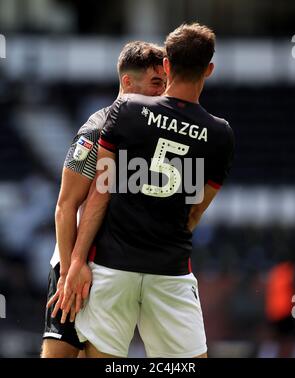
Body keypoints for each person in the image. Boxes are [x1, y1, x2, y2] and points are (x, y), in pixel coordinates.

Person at [62, 23, 235, 358]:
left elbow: (101, 192)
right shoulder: (221, 134)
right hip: (170, 269)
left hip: (112, 266)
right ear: (209, 70)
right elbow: (196, 212)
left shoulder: (126, 111)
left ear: (167, 66)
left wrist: (77, 261)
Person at [41, 41, 166, 358]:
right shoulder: (94, 134)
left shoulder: (155, 133)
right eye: (155, 83)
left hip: (118, 269)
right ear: (127, 82)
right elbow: (65, 206)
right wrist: (70, 271)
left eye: (165, 83)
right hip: (77, 265)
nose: (163, 91)